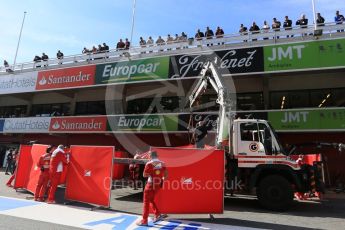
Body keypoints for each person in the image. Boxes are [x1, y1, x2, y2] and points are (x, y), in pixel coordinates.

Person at [136, 151, 168, 226]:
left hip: (150, 184)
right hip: (158, 185)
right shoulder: (162, 163)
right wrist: (161, 179)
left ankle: (144, 220)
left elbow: (144, 175)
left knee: (146, 202)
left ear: (150, 156)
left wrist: (151, 173)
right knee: (151, 200)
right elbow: (166, 175)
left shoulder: (149, 163)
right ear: (157, 155)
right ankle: (157, 214)